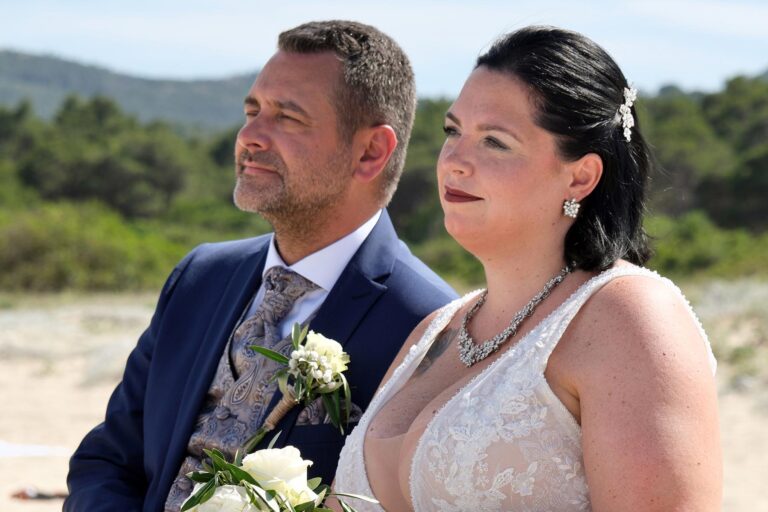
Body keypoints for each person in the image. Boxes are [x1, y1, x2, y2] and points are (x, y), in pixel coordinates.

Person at [65, 20, 457, 512]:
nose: (249, 136)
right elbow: (109, 457)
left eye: (286, 117)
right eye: (252, 111)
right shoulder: (199, 276)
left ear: (370, 151)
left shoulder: (428, 325)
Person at [334, 26, 721, 511]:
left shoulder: (628, 315)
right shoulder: (434, 331)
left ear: (580, 176)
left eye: (495, 142)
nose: (454, 161)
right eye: (453, 131)